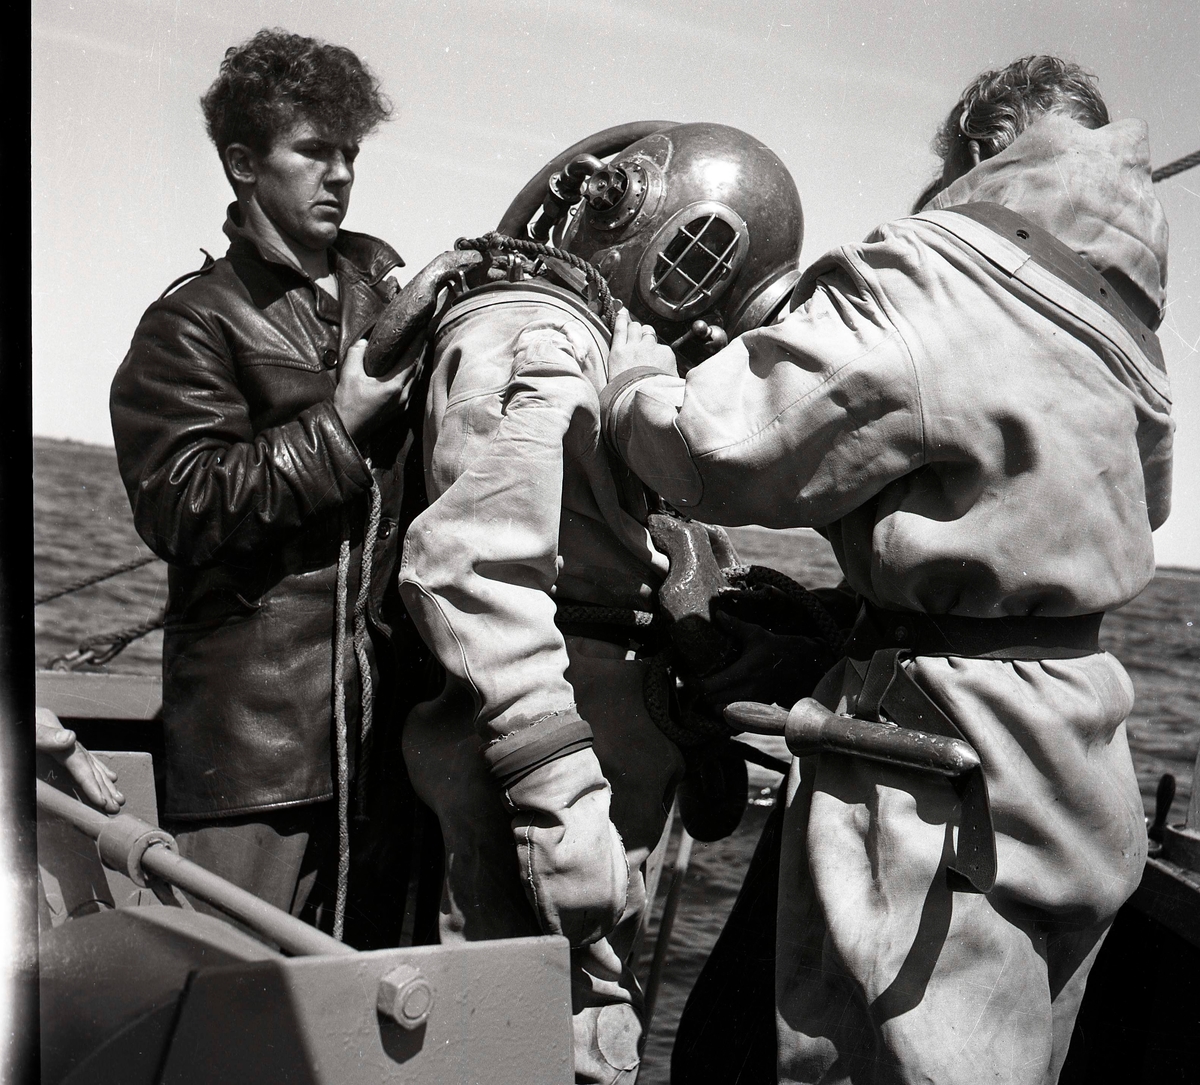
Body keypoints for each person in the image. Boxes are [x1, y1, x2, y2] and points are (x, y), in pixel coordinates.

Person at [601, 57, 1171, 1084]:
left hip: (939, 768)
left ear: (982, 143)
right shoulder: (1130, 321)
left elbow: (716, 448)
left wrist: (636, 373)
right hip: (1081, 764)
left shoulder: (940, 268)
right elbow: (1115, 514)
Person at [388, 123, 806, 1082]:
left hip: (589, 801)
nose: (709, 337)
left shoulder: (586, 348)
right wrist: (564, 817)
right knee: (525, 1049)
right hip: (551, 815)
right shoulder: (543, 339)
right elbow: (476, 573)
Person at [109, 29, 420, 942]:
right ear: (244, 164)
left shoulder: (385, 295)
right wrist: (341, 424)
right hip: (252, 762)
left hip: (385, 747)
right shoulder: (191, 323)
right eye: (314, 151)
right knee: (228, 991)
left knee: (368, 999)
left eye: (350, 151)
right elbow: (182, 505)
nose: (341, 175)